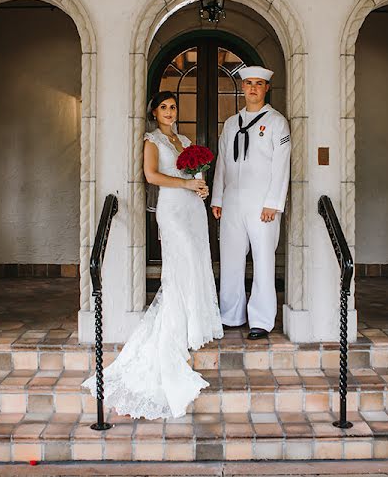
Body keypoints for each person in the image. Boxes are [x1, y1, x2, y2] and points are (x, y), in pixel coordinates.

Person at [82, 91, 223, 420]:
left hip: (193, 209)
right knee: (181, 265)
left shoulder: (184, 138)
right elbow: (151, 176)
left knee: (196, 264)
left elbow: (192, 174)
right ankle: (175, 334)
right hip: (172, 210)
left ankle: (193, 324)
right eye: (164, 108)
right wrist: (186, 186)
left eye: (173, 107)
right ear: (154, 112)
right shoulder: (152, 140)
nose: (170, 112)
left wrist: (199, 186)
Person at [211, 66, 290, 340]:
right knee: (230, 260)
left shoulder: (277, 122)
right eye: (248, 83)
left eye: (258, 83)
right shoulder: (231, 123)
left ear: (266, 88)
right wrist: (218, 197)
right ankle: (230, 314)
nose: (253, 88)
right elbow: (222, 161)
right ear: (242, 88)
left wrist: (273, 203)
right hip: (232, 200)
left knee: (263, 261)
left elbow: (282, 166)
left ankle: (261, 319)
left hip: (262, 203)